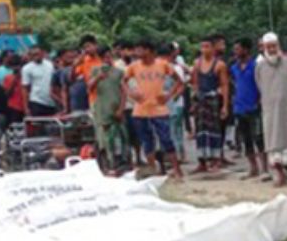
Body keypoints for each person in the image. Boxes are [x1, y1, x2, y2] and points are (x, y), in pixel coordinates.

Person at [123, 39, 184, 178]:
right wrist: (131, 93)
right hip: (140, 110)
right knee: (147, 141)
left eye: (140, 49)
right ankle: (153, 169)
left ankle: (176, 169)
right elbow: (123, 82)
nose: (137, 52)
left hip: (159, 109)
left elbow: (179, 81)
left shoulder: (163, 65)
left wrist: (168, 96)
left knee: (166, 139)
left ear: (149, 50)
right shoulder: (133, 66)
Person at [254, 33, 287, 186]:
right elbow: (260, 86)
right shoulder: (260, 67)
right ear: (264, 48)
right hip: (270, 110)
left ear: (279, 46)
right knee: (273, 141)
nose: (271, 49)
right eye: (268, 47)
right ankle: (278, 173)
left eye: (274, 46)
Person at [190, 37, 230, 173]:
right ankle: (202, 162)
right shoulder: (197, 63)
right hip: (201, 100)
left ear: (213, 48)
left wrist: (225, 105)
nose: (204, 49)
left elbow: (224, 85)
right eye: (202, 46)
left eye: (207, 46)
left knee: (215, 130)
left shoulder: (219, 65)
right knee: (200, 131)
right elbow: (194, 82)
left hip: (213, 100)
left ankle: (216, 160)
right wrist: (194, 99)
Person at [230, 38, 266, 179]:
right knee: (246, 139)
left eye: (238, 49)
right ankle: (253, 167)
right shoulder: (234, 67)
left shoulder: (256, 66)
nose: (236, 52)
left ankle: (264, 168)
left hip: (254, 106)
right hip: (240, 107)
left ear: (246, 49)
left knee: (259, 137)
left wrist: (260, 100)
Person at [89, 46, 127, 173]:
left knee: (121, 136)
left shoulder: (118, 72)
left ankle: (122, 161)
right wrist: (98, 78)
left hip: (116, 107)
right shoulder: (95, 70)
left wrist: (121, 108)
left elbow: (124, 91)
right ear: (100, 58)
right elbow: (89, 87)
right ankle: (107, 164)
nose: (107, 59)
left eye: (109, 56)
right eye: (104, 57)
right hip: (102, 108)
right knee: (104, 138)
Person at [21, 47, 58, 117]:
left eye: (37, 54)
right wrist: (26, 107)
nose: (36, 56)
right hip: (36, 101)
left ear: (42, 54)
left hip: (51, 102)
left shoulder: (50, 65)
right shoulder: (26, 68)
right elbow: (24, 88)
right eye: (33, 54)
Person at [2, 54, 27, 125]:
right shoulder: (8, 77)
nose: (16, 68)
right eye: (14, 66)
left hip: (24, 107)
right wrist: (14, 81)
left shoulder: (25, 76)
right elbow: (7, 94)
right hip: (13, 108)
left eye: (17, 65)